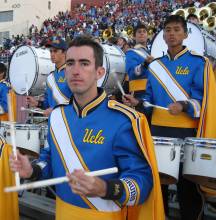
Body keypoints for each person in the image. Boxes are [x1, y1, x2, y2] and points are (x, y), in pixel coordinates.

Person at [9, 36, 164, 220]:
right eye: (70, 63)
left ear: (99, 72)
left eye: (84, 63)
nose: (75, 71)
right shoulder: (57, 116)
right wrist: (32, 170)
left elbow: (142, 183)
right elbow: (49, 161)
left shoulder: (125, 120)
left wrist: (106, 188)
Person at [123, 15, 216, 219]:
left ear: (185, 34)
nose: (172, 34)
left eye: (177, 29)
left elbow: (203, 100)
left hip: (187, 131)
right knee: (159, 185)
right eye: (168, 30)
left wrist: (184, 105)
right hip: (158, 131)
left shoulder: (198, 62)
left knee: (188, 188)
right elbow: (149, 100)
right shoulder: (155, 65)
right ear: (163, 35)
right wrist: (138, 103)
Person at [26, 38, 72, 116]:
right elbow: (48, 103)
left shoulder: (73, 73)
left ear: (64, 52)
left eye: (55, 51)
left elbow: (79, 103)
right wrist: (37, 103)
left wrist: (56, 110)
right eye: (51, 51)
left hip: (69, 123)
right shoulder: (50, 77)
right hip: (53, 124)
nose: (52, 54)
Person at [125, 23, 153, 114]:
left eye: (144, 32)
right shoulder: (131, 53)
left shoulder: (150, 52)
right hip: (138, 94)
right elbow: (132, 72)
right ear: (134, 36)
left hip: (152, 92)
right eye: (139, 32)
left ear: (147, 35)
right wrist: (144, 64)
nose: (142, 33)